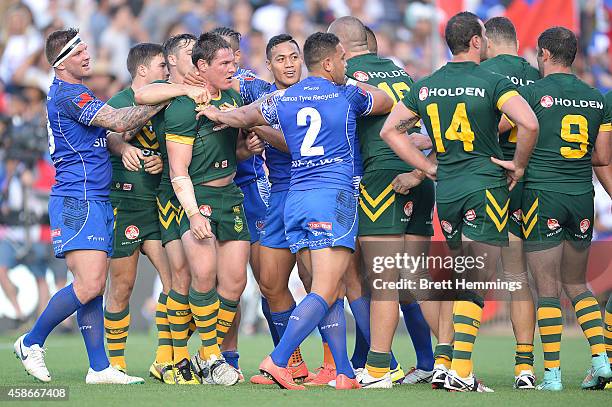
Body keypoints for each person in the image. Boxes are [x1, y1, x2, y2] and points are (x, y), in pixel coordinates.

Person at [198, 31, 394, 390]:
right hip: (331, 195)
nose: (288, 64)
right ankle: (281, 359)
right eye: (342, 60)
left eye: (294, 57)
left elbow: (247, 115)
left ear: (305, 60)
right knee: (325, 287)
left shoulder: (283, 98)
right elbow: (386, 101)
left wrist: (217, 114)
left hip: (298, 198)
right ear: (331, 62)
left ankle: (344, 372)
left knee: (325, 285)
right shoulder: (346, 92)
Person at [380, 11, 539, 391]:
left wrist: (425, 167)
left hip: (446, 190)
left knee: (461, 274)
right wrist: (517, 165)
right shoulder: (492, 80)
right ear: (475, 42)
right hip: (484, 186)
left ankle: (446, 362)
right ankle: (461, 373)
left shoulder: (427, 85)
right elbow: (529, 123)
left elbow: (390, 129)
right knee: (476, 278)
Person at [13, 28, 167, 384]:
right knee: (90, 283)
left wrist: (123, 148)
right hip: (77, 198)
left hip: (92, 197)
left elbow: (107, 134)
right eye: (79, 51)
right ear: (60, 61)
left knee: (91, 285)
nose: (87, 55)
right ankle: (31, 341)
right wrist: (169, 94)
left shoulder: (75, 94)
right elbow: (120, 120)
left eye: (86, 48)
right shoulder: (71, 94)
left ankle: (99, 367)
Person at [498, 27, 611, 391]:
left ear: (544, 54)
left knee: (546, 290)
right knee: (577, 283)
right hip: (581, 196)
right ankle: (601, 360)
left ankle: (552, 375)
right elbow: (603, 157)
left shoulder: (529, 94)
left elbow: (497, 128)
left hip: (541, 196)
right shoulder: (597, 97)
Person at [329, 16, 434, 388]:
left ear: (338, 49)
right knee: (411, 282)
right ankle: (432, 362)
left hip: (379, 179)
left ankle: (377, 366)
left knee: (374, 279)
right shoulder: (402, 72)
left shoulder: (341, 76)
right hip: (420, 176)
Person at [164, 32, 261, 386]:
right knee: (203, 276)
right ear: (202, 66)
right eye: (225, 63)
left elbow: (231, 151)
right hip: (196, 197)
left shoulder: (233, 98)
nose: (233, 68)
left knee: (234, 282)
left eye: (234, 62)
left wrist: (248, 148)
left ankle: (206, 354)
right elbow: (178, 169)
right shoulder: (181, 107)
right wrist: (192, 212)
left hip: (230, 196)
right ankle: (210, 356)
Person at [102, 42, 173, 382]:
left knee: (175, 281)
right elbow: (106, 136)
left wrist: (165, 160)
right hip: (125, 204)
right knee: (122, 285)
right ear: (143, 70)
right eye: (162, 65)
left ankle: (163, 358)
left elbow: (177, 146)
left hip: (159, 204)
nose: (167, 71)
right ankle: (115, 363)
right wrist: (122, 144)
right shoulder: (118, 103)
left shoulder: (169, 100)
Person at [481, 16, 541, 389]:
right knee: (521, 277)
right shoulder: (537, 75)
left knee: (470, 272)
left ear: (486, 41)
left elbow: (496, 123)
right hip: (531, 181)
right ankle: (525, 366)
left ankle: (452, 362)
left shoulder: (484, 73)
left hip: (490, 177)